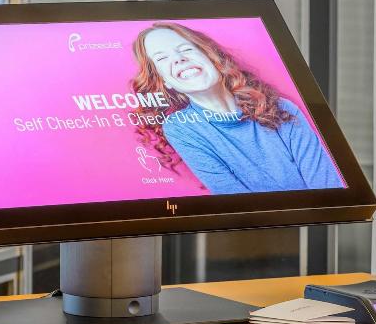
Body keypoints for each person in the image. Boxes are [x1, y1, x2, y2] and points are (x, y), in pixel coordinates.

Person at [130, 21, 343, 195]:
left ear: (211, 57)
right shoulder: (181, 128)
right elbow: (236, 202)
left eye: (185, 49)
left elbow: (327, 191)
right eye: (162, 58)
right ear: (164, 81)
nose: (178, 59)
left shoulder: (282, 108)